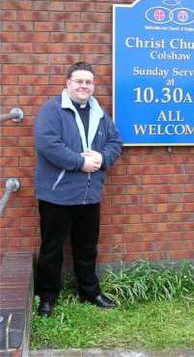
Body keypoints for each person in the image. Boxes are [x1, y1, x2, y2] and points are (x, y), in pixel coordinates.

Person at [34, 61, 123, 318]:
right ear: (68, 83)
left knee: (87, 247)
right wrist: (80, 162)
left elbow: (116, 141)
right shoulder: (52, 110)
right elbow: (47, 144)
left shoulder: (99, 113)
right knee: (52, 249)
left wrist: (102, 158)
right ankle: (48, 297)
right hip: (57, 195)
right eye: (79, 81)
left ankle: (90, 292)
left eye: (89, 82)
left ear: (93, 86)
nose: (84, 86)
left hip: (89, 195)